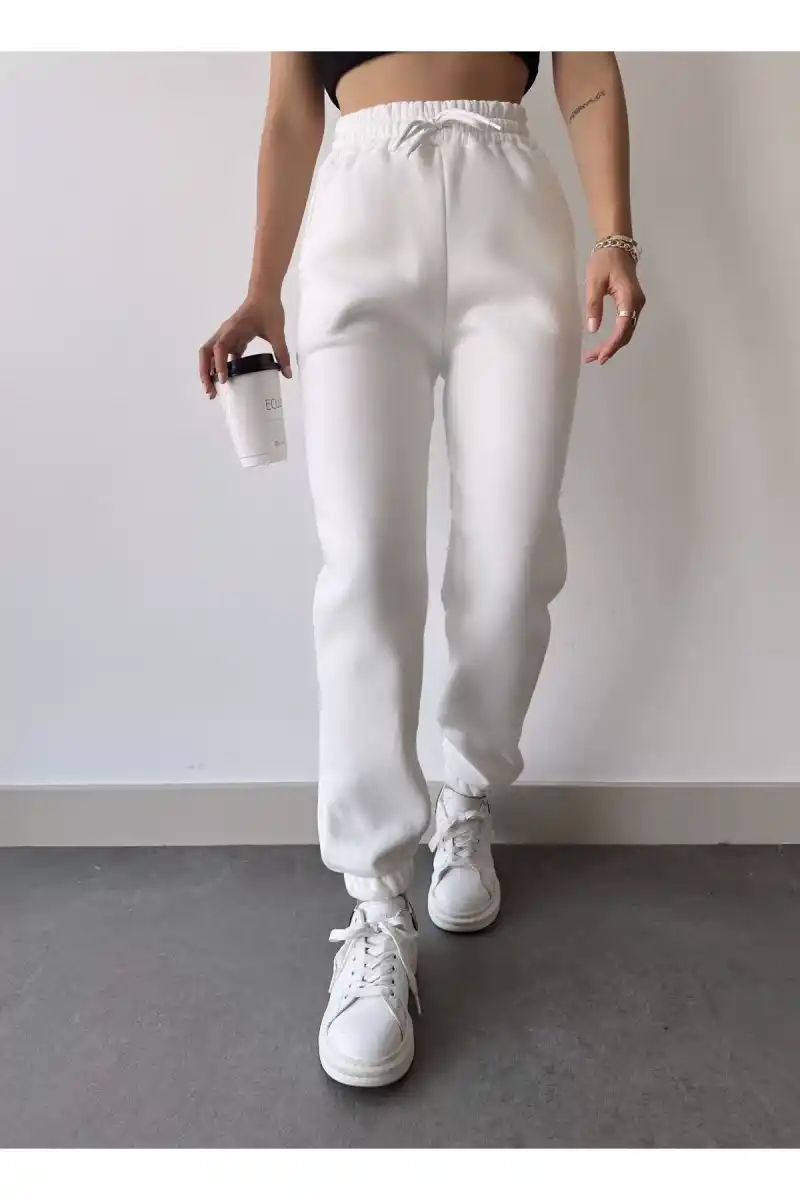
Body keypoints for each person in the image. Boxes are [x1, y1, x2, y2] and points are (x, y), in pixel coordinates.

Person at [199, 51, 645, 1088]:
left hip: (509, 210)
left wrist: (615, 233)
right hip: (359, 216)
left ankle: (467, 794)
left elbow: (585, 67)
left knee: (512, 554)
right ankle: (374, 904)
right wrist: (262, 287)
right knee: (362, 570)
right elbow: (290, 111)